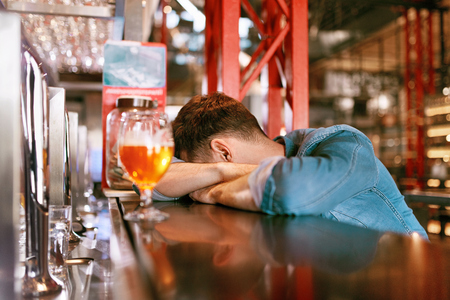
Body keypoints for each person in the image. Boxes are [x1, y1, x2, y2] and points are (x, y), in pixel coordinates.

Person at [153, 92, 428, 239]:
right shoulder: (227, 165)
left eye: (211, 168)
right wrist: (220, 172)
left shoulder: (346, 144)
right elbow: (150, 183)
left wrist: (213, 190)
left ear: (224, 151)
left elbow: (290, 191)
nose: (207, 184)